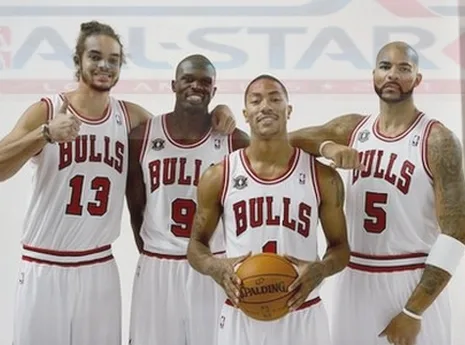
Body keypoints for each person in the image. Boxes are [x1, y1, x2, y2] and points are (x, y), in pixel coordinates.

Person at [0, 21, 235, 345]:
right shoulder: (48, 110)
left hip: (99, 268)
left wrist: (218, 111)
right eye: (95, 56)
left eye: (113, 59)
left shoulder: (131, 118)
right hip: (44, 264)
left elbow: (181, 129)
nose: (104, 65)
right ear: (78, 60)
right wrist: (44, 134)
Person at [289, 41, 465, 345]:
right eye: (385, 67)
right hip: (355, 277)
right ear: (373, 75)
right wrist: (327, 146)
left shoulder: (437, 139)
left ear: (418, 79)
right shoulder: (353, 128)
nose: (392, 75)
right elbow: (280, 143)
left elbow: (456, 232)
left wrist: (413, 312)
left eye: (404, 68)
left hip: (410, 277)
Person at [186, 74, 350, 345]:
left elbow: (340, 247)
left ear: (289, 110)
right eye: (256, 100)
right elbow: (195, 246)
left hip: (303, 311)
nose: (265, 106)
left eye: (275, 99)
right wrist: (213, 266)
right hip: (241, 312)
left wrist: (322, 268)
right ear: (246, 114)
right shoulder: (219, 176)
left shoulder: (322, 177)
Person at [125, 54, 250, 345]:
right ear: (173, 84)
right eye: (188, 79)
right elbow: (135, 206)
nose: (196, 86)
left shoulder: (235, 141)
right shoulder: (142, 136)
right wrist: (151, 248)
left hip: (212, 266)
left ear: (214, 91)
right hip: (158, 265)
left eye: (205, 82)